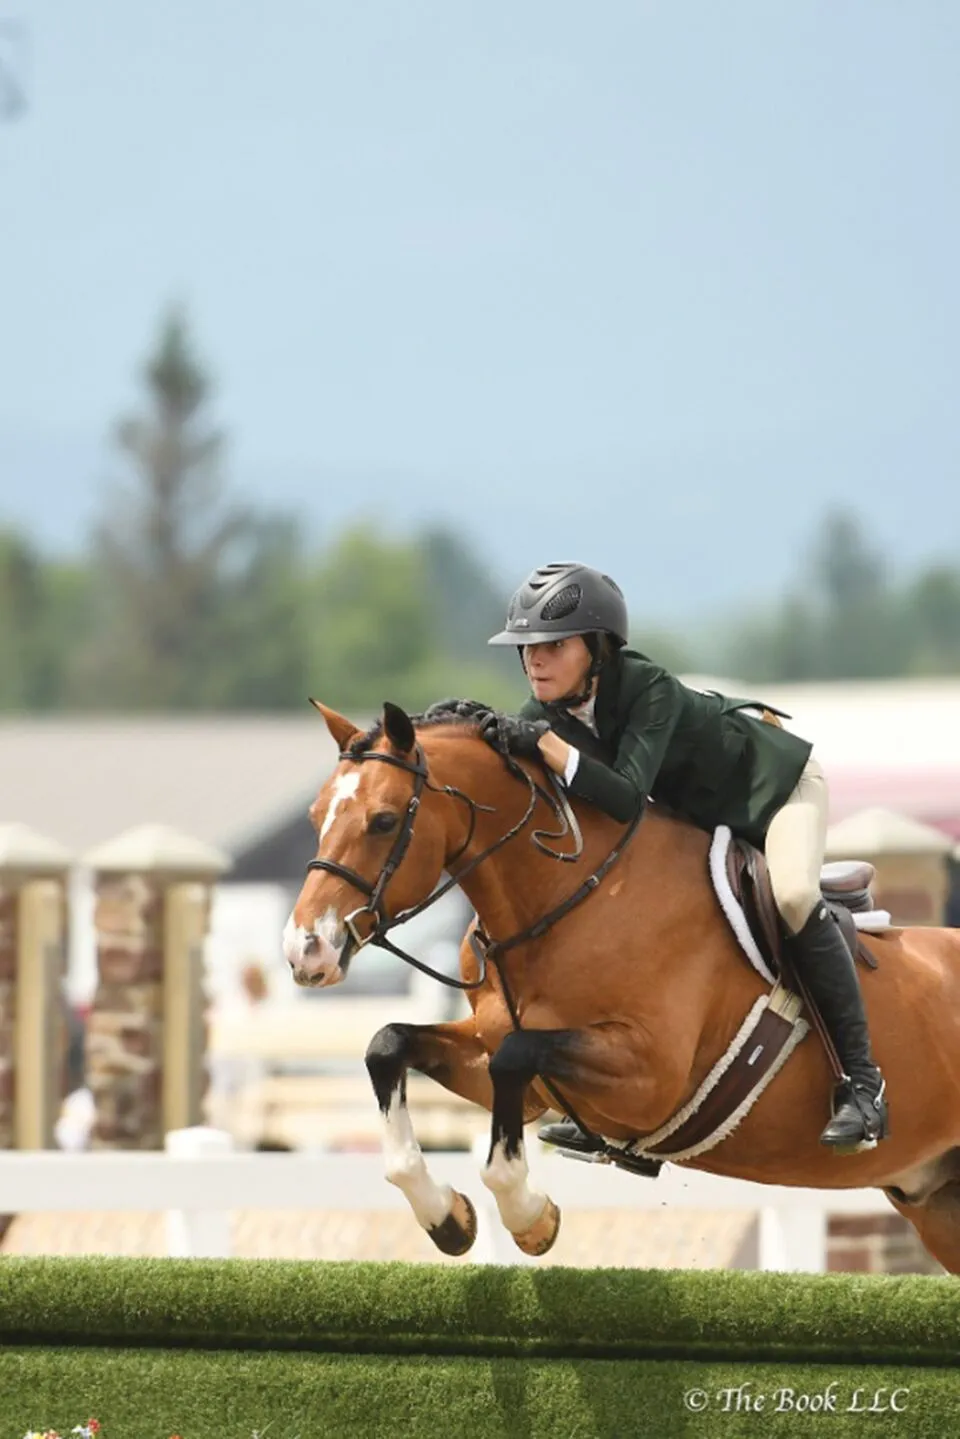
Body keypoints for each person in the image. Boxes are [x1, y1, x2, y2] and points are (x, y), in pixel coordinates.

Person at [483, 560, 888, 1155]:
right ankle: (625, 1106)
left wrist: (544, 746)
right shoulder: (543, 712)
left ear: (598, 648)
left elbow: (622, 796)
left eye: (553, 646)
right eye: (526, 649)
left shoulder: (648, 688)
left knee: (796, 896)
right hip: (705, 822)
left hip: (776, 793)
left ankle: (864, 1085)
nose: (534, 661)